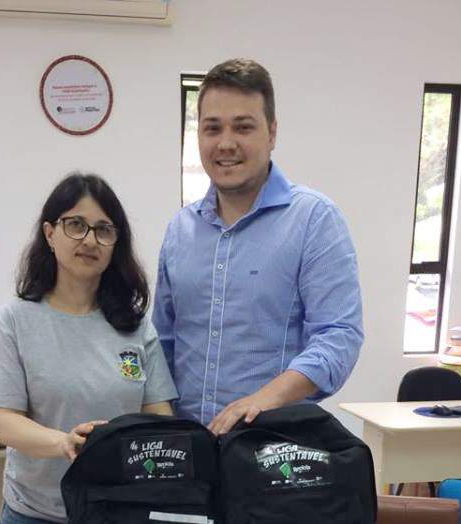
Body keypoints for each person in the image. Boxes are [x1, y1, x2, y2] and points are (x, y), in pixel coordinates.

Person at [152, 58, 363, 435]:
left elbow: (338, 337)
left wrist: (263, 400)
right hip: (189, 448)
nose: (226, 143)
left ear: (272, 133)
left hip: (272, 448)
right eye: (212, 128)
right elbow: (162, 345)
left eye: (243, 127)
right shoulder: (180, 230)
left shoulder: (314, 220)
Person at [0, 173, 177, 524]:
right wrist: (63, 443)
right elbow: (3, 420)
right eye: (76, 225)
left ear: (115, 243)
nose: (90, 240)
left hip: (119, 514)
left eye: (103, 229)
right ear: (50, 234)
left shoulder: (134, 325)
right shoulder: (14, 321)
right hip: (36, 517)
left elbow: (158, 413)